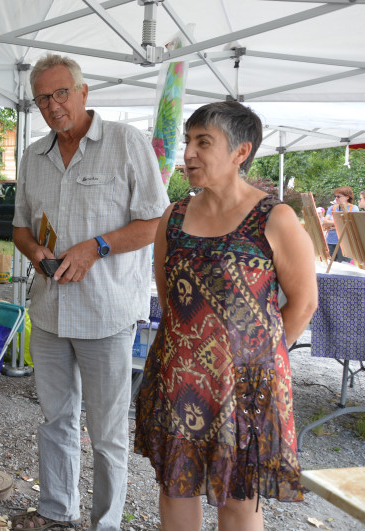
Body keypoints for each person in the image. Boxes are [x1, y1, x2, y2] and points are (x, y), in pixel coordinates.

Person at [133, 102, 318, 531]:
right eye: (188, 142)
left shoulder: (275, 218)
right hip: (179, 380)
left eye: (203, 142)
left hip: (246, 389)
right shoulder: (173, 218)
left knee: (238, 498)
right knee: (175, 485)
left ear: (240, 152)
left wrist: (254, 360)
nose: (189, 154)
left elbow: (304, 302)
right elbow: (171, 300)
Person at [12, 54, 170, 531]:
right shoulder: (33, 155)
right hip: (50, 313)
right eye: (43, 97)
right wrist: (37, 252)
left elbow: (155, 222)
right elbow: (20, 227)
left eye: (61, 93)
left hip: (106, 314)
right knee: (55, 422)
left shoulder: (126, 143)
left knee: (106, 434)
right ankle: (58, 512)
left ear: (83, 92)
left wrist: (97, 247)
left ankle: (105, 524)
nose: (53, 105)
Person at [322, 185, 358, 262]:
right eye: (335, 196)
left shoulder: (353, 208)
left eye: (339, 196)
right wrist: (340, 224)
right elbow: (325, 222)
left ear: (347, 197)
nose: (336, 198)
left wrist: (333, 226)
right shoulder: (333, 208)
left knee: (344, 267)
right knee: (329, 266)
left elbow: (351, 225)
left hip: (345, 244)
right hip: (330, 241)